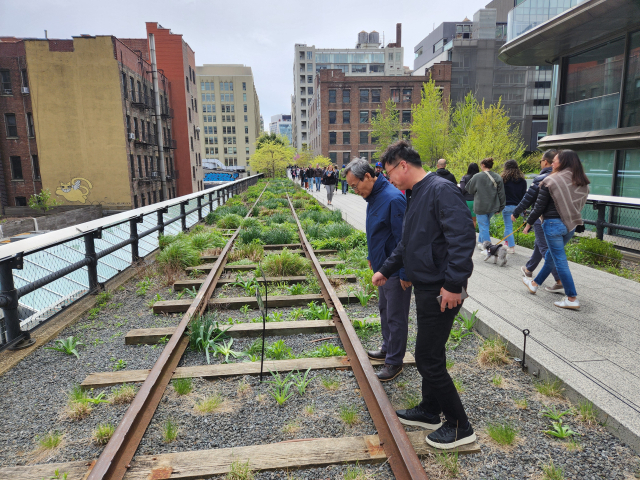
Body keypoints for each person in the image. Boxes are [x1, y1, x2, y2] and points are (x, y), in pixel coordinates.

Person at [371, 140, 476, 450]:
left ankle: (459, 426)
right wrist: (387, 270)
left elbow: (463, 237)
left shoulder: (440, 189)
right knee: (432, 353)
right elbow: (407, 243)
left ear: (403, 165)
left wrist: (454, 285)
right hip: (428, 285)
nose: (387, 179)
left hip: (442, 288)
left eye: (388, 172)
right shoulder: (416, 193)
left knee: (427, 358)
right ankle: (430, 410)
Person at [344, 158, 412, 382]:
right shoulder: (374, 197)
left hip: (394, 269)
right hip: (382, 267)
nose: (354, 191)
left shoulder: (392, 199)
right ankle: (387, 348)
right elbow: (377, 233)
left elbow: (404, 240)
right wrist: (371, 257)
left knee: (396, 316)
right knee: (385, 310)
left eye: (355, 186)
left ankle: (394, 361)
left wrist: (404, 273)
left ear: (367, 176)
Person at [521, 150, 589, 310]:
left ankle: (572, 298)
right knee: (551, 257)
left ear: (563, 162)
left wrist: (529, 223)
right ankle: (534, 283)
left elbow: (539, 206)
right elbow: (580, 204)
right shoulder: (581, 182)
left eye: (556, 161)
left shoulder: (550, 180)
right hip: (571, 225)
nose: (552, 163)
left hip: (553, 225)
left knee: (559, 261)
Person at [512, 150, 563, 292]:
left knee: (545, 248)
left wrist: (517, 212)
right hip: (561, 219)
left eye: (541, 160)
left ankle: (559, 279)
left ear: (545, 162)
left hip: (544, 218)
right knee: (539, 245)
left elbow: (529, 198)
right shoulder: (563, 177)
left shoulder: (542, 178)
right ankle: (529, 268)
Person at [464, 158, 505, 250]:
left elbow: (469, 189)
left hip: (480, 206)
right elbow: (502, 194)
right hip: (493, 206)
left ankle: (489, 248)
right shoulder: (497, 177)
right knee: (485, 225)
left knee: (483, 226)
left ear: (483, 165)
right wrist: (501, 207)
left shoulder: (477, 176)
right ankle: (481, 242)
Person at [501, 160, 527, 254]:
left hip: (507, 206)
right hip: (518, 207)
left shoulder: (503, 180)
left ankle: (511, 247)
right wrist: (523, 209)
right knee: (508, 226)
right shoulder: (522, 181)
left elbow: (500, 194)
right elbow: (524, 196)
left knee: (508, 226)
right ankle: (506, 243)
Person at [459, 163, 479, 229]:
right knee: (474, 220)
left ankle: (467, 235)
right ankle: (473, 235)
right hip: (476, 201)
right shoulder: (479, 178)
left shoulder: (464, 177)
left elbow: (462, 189)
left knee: (466, 220)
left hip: (466, 201)